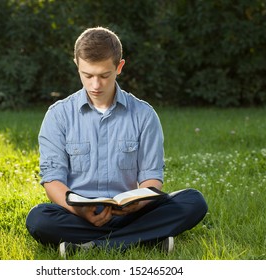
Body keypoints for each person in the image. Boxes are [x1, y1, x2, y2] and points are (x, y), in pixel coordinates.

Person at [26, 26, 208, 258]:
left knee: (193, 201)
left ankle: (90, 245)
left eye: (104, 75)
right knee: (39, 218)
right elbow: (52, 180)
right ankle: (145, 238)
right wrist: (80, 212)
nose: (95, 85)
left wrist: (138, 204)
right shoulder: (58, 115)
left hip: (131, 212)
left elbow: (152, 177)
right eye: (87, 75)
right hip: (77, 215)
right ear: (77, 65)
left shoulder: (144, 114)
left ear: (119, 67)